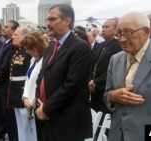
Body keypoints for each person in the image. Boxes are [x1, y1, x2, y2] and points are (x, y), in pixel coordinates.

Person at [104, 12, 151, 141]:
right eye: (118, 34)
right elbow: (106, 94)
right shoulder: (115, 59)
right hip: (117, 135)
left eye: (128, 32)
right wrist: (113, 96)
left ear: (146, 32)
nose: (122, 39)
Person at [35, 4, 92, 141]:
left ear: (67, 20)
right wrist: (38, 103)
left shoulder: (79, 47)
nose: (48, 24)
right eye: (47, 20)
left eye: (52, 19)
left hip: (66, 119)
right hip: (45, 115)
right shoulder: (51, 48)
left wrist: (47, 109)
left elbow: (71, 85)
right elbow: (42, 77)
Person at [0, 20, 20, 141]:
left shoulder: (12, 45)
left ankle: (10, 136)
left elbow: (6, 66)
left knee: (9, 115)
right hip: (0, 83)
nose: (4, 28)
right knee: (4, 113)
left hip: (6, 85)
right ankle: (6, 135)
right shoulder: (6, 44)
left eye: (7, 27)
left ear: (14, 31)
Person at [89, 18, 122, 114]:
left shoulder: (118, 46)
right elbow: (91, 65)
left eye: (107, 27)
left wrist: (96, 83)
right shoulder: (99, 45)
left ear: (116, 30)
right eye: (103, 27)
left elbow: (114, 69)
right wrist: (90, 80)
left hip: (105, 88)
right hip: (93, 89)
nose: (103, 29)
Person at [20, 31, 48, 141]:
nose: (27, 52)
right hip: (29, 101)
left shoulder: (45, 61)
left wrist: (31, 102)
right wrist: (25, 97)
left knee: (37, 134)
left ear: (37, 47)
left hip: (37, 103)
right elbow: (28, 80)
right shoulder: (33, 60)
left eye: (29, 49)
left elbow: (39, 84)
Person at [6, 26, 31, 141]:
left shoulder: (28, 52)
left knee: (27, 125)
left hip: (23, 92)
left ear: (24, 36)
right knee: (20, 124)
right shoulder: (19, 51)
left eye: (16, 35)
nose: (13, 37)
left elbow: (30, 76)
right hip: (15, 91)